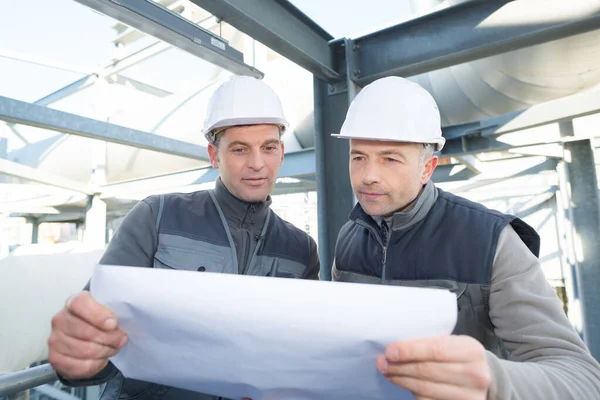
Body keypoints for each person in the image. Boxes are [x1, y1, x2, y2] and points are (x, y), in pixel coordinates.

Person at [47, 76, 320, 400]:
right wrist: (80, 356)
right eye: (239, 149)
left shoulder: (301, 250)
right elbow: (97, 336)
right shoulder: (157, 216)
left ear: (281, 152)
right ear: (213, 155)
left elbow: (300, 352)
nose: (257, 164)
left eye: (268, 148)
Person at [331, 76, 600, 399]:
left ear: (427, 168)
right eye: (358, 156)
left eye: (390, 158)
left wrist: (493, 380)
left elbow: (583, 379)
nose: (368, 175)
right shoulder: (350, 237)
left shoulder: (492, 240)